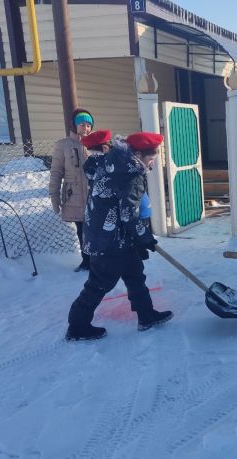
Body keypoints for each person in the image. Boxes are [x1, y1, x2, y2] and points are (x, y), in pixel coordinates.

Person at [65, 132, 173, 341]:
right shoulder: (130, 174)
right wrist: (145, 238)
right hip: (109, 239)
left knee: (134, 274)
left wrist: (138, 238)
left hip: (114, 235)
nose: (152, 163)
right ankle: (77, 326)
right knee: (99, 283)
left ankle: (146, 315)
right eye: (151, 158)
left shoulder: (114, 160)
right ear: (139, 154)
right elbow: (128, 214)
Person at [49, 108, 94, 272]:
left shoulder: (95, 144)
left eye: (89, 125)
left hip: (94, 194)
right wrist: (54, 197)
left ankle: (98, 259)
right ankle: (86, 261)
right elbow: (56, 172)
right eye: (82, 124)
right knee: (82, 229)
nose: (86, 128)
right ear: (74, 125)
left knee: (96, 228)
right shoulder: (63, 145)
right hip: (74, 195)